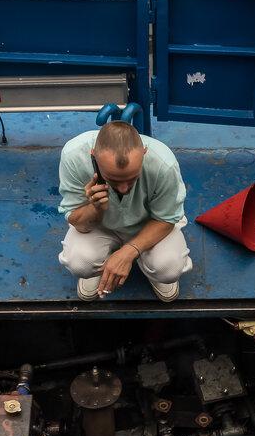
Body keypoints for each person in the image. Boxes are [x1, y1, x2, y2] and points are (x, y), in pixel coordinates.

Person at [57, 121, 191, 302]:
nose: (122, 188)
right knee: (80, 263)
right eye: (112, 179)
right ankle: (101, 265)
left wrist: (129, 251)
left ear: (144, 154)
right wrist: (95, 209)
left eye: (132, 179)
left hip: (148, 224)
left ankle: (150, 268)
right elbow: (77, 223)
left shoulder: (163, 163)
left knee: (168, 269)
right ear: (94, 156)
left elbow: (166, 219)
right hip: (100, 226)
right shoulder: (73, 156)